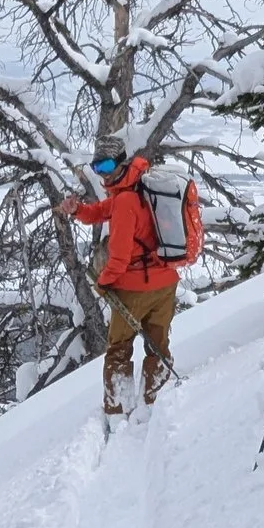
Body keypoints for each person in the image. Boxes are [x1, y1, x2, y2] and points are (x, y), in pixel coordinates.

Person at [61, 145, 179, 417]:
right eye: (96, 168)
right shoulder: (140, 187)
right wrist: (78, 209)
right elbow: (98, 212)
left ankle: (118, 408)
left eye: (105, 167)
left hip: (135, 288)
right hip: (166, 281)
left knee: (118, 349)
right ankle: (155, 400)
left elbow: (120, 257)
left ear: (121, 162)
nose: (102, 175)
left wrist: (103, 282)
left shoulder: (125, 200)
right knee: (158, 344)